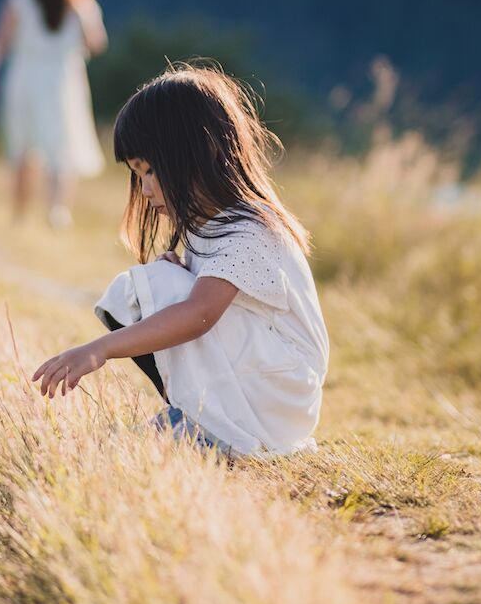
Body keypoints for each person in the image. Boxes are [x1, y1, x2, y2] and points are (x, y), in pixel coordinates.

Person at [32, 64, 330, 458]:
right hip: (267, 385)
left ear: (198, 154)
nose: (146, 188)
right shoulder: (207, 227)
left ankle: (214, 429)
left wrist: (99, 349)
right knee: (141, 290)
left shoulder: (249, 229)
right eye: (137, 174)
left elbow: (200, 314)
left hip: (281, 396)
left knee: (161, 289)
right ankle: (198, 419)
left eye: (152, 170)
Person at [0, 0, 107, 227]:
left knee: (23, 149)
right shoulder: (80, 1)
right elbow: (97, 43)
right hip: (62, 79)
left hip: (25, 78)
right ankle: (57, 210)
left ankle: (20, 213)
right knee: (61, 147)